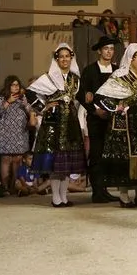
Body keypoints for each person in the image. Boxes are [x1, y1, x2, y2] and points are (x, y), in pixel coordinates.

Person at [96, 43, 137, 208]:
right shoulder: (119, 76)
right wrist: (116, 108)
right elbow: (102, 96)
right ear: (131, 59)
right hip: (125, 125)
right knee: (125, 161)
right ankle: (124, 196)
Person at [27, 43, 85, 208]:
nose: (65, 59)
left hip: (71, 122)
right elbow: (29, 92)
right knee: (55, 162)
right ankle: (55, 198)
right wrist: (43, 107)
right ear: (57, 59)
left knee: (67, 162)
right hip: (53, 123)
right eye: (62, 57)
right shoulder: (48, 77)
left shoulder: (76, 79)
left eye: (67, 56)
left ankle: (64, 197)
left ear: (71, 58)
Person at [77, 35, 119, 203]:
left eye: (111, 49)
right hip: (95, 120)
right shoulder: (89, 70)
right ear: (100, 51)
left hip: (114, 119)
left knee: (109, 155)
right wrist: (95, 111)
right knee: (96, 154)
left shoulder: (117, 71)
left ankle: (105, 189)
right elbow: (82, 94)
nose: (109, 52)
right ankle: (97, 191)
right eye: (106, 49)